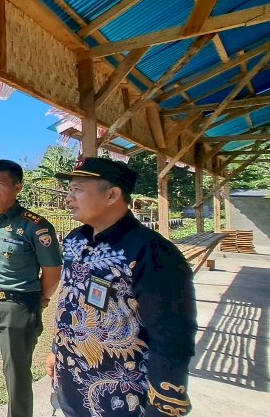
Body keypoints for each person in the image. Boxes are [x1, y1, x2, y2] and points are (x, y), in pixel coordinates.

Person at [47, 157, 196, 416]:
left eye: (78, 189)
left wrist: (164, 404)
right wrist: (56, 353)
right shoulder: (74, 241)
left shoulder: (152, 252)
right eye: (69, 190)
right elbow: (68, 303)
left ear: (112, 195)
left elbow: (172, 335)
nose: (68, 198)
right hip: (72, 382)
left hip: (123, 397)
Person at [0, 159, 62, 417]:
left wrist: (41, 298)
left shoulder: (35, 225)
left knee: (16, 373)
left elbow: (52, 271)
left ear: (17, 188)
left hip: (19, 305)